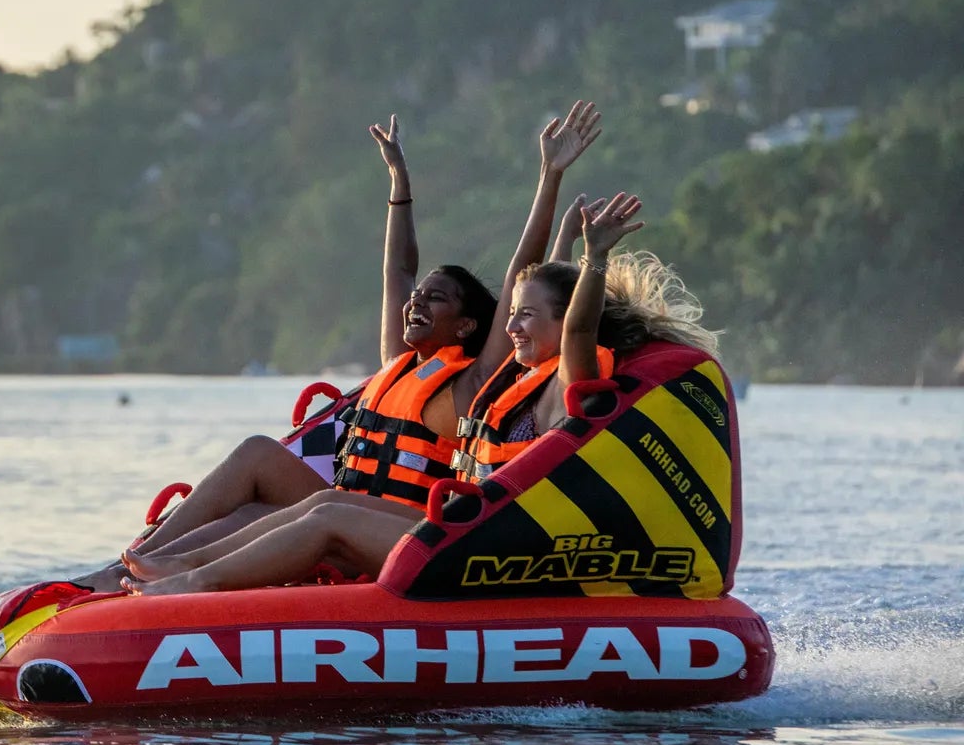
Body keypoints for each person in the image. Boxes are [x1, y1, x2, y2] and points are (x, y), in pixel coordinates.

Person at [73, 101, 601, 591]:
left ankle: (179, 581)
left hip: (392, 530)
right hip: (345, 506)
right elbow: (398, 270)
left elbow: (519, 275)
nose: (415, 303)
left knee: (314, 508)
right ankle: (131, 567)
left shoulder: (471, 378)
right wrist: (399, 184)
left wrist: (548, 179)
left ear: (466, 327)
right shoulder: (401, 364)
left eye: (435, 299)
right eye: (417, 298)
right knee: (255, 483)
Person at [120, 193, 716, 596]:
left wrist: (594, 258)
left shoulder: (573, 381)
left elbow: (574, 317)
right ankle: (180, 566)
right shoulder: (513, 377)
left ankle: (190, 585)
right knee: (320, 506)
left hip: (493, 543)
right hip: (466, 524)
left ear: (564, 326)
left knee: (328, 515)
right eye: (511, 317)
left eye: (527, 318)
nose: (511, 326)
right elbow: (527, 279)